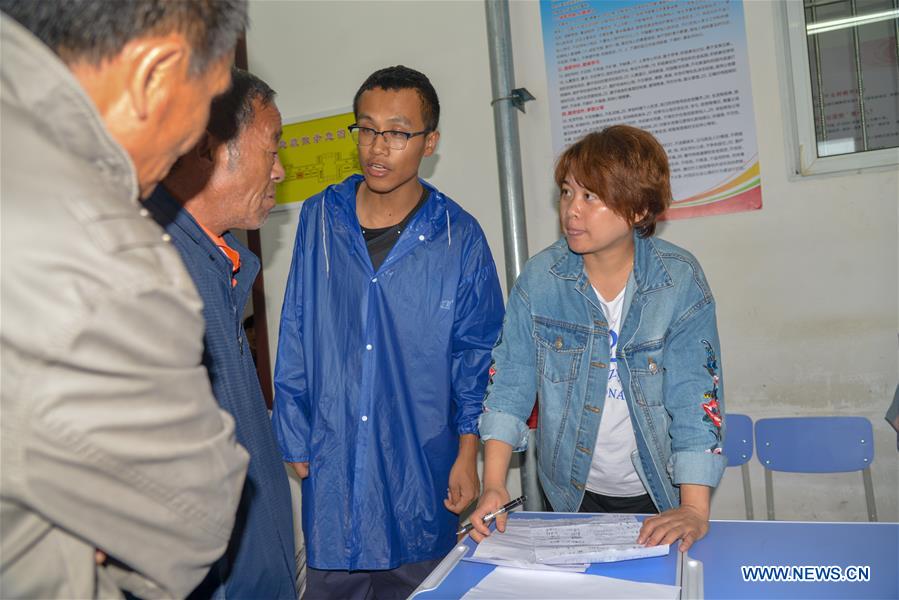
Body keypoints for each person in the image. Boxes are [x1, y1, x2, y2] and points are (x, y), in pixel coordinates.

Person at [0, 2, 251, 598]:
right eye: (209, 99)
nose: (197, 140)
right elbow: (196, 519)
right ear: (154, 74)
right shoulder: (100, 254)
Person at [272, 65, 504, 599]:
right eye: (367, 129)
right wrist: (294, 427)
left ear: (430, 142)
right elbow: (296, 327)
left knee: (423, 583)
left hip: (420, 464)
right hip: (334, 460)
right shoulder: (321, 218)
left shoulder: (458, 237)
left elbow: (476, 356)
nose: (378, 147)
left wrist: (467, 451)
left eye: (398, 133)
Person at [471, 125, 726, 553]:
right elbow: (511, 382)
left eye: (591, 196)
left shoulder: (678, 280)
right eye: (567, 193)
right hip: (568, 490)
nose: (572, 210)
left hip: (658, 491)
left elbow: (695, 395)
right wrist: (493, 483)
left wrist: (694, 508)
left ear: (639, 209)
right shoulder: (541, 279)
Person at [145, 67, 296, 599]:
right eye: (271, 149)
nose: (279, 170)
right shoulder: (158, 276)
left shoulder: (218, 264)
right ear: (210, 148)